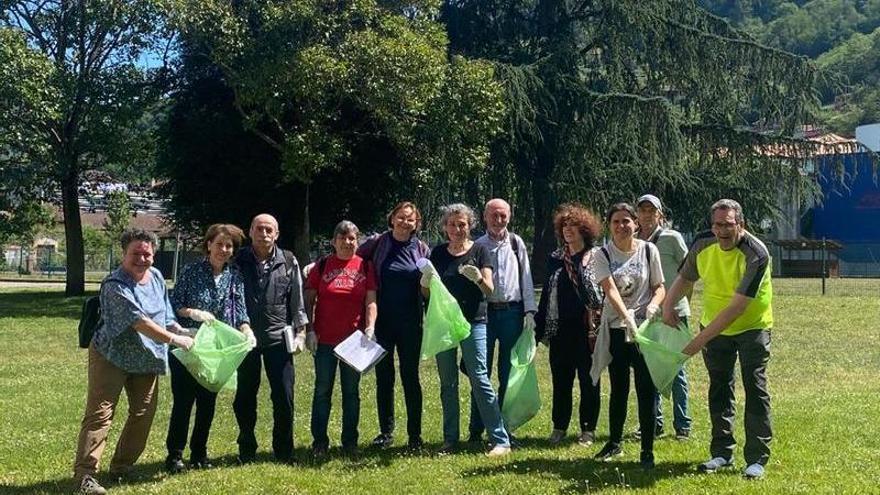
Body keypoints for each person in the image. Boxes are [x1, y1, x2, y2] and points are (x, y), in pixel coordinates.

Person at [73, 229, 195, 495]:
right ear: (123, 254)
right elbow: (141, 322)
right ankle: (85, 477)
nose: (141, 259)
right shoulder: (115, 285)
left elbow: (163, 313)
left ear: (153, 254)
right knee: (100, 415)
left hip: (146, 356)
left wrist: (180, 329)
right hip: (111, 355)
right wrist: (175, 341)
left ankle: (122, 467)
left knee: (143, 414)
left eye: (147, 253)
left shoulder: (157, 277)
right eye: (135, 254)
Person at [662, 199, 773, 480]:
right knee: (719, 388)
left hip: (752, 327)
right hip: (713, 326)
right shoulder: (702, 243)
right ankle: (722, 453)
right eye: (717, 224)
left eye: (729, 225)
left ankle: (756, 459)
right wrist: (667, 306)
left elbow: (737, 307)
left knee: (755, 388)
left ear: (741, 225)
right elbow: (685, 279)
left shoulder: (757, 253)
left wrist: (698, 341)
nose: (722, 231)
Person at [421, 203, 511, 456]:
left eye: (462, 224)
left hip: (474, 322)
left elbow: (490, 290)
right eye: (452, 225)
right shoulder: (437, 254)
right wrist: (424, 282)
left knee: (480, 378)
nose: (457, 229)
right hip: (444, 325)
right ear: (445, 227)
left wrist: (479, 279)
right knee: (447, 382)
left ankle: (500, 439)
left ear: (470, 225)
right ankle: (450, 439)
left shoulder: (481, 250)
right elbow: (427, 294)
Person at [165, 224, 256, 473]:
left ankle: (199, 453)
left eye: (229, 246)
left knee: (207, 402)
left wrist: (247, 329)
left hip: (216, 351)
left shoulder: (234, 276)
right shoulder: (191, 271)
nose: (224, 250)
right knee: (183, 402)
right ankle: (174, 455)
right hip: (189, 344)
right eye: (219, 244)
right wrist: (192, 314)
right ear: (208, 245)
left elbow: (241, 312)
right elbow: (175, 305)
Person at [590, 202, 665, 470]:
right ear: (609, 226)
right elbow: (609, 290)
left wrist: (653, 306)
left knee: (647, 389)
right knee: (619, 387)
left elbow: (659, 287)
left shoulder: (649, 251)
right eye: (616, 222)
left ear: (636, 223)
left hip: (645, 331)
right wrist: (626, 317)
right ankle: (614, 442)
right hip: (617, 329)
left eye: (626, 221)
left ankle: (647, 450)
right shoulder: (602, 254)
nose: (622, 227)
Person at [233, 214, 309, 464]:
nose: (264, 233)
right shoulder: (237, 260)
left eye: (269, 230)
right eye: (259, 229)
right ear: (250, 231)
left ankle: (284, 449)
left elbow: (297, 300)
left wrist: (301, 332)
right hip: (246, 340)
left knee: (284, 396)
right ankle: (246, 446)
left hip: (279, 338)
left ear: (276, 234)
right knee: (244, 396)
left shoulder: (288, 260)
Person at [357, 202, 430, 450]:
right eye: (401, 217)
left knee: (411, 377)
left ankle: (415, 436)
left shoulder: (421, 249)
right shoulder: (377, 243)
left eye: (410, 219)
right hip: (382, 323)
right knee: (384, 377)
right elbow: (348, 257)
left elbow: (429, 289)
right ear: (392, 219)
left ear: (416, 223)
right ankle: (386, 432)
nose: (405, 222)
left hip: (411, 323)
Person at [304, 221, 378, 456]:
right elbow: (308, 300)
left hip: (354, 342)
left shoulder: (365, 266)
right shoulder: (323, 265)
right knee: (322, 390)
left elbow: (371, 300)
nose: (348, 242)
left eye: (352, 238)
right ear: (334, 241)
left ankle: (350, 442)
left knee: (351, 392)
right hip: (324, 339)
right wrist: (309, 330)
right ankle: (319, 442)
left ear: (358, 241)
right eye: (343, 238)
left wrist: (370, 327)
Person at [467, 198, 537, 443]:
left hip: (512, 313)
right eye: (494, 215)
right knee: (480, 373)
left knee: (508, 373)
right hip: (484, 314)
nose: (498, 220)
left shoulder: (517, 243)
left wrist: (530, 312)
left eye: (503, 216)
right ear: (485, 217)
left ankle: (504, 427)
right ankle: (476, 429)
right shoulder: (476, 245)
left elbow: (526, 278)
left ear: (509, 216)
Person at [534, 203, 603, 447]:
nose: (568, 230)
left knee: (589, 380)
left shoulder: (597, 257)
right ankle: (559, 427)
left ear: (585, 229)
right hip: (560, 330)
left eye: (573, 226)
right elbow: (545, 295)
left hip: (589, 331)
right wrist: (538, 327)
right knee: (561, 381)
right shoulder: (555, 259)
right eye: (564, 226)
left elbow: (604, 291)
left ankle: (588, 429)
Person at [635, 194, 693, 441]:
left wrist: (681, 303)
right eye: (643, 210)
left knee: (675, 368)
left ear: (660, 214)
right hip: (647, 314)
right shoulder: (633, 241)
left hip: (673, 312)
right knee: (650, 369)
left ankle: (682, 424)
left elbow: (690, 271)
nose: (647, 215)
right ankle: (654, 422)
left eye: (652, 210)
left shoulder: (672, 238)